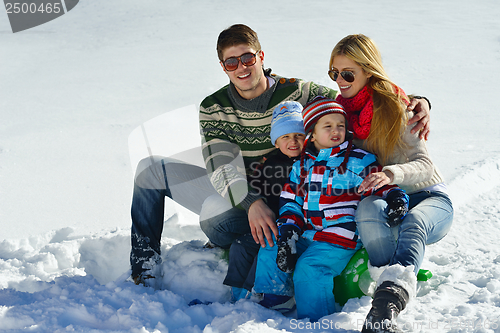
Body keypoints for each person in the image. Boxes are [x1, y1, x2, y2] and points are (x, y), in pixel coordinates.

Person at [129, 24, 431, 287]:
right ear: (222, 66)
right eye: (231, 62)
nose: (241, 67)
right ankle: (146, 268)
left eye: (247, 57)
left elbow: (354, 94)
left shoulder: (300, 92)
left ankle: (255, 241)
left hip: (289, 195)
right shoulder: (214, 106)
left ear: (261, 56)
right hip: (244, 195)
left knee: (214, 217)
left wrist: (414, 101)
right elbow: (220, 165)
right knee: (151, 169)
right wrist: (251, 204)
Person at [328, 34, 454, 332]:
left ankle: (385, 307)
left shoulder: (400, 107)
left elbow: (424, 166)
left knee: (414, 221)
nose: (340, 81)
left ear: (368, 71)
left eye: (347, 74)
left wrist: (390, 173)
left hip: (428, 196)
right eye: (334, 73)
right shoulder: (341, 113)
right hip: (386, 197)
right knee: (368, 211)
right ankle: (387, 276)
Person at [253, 97, 410, 321]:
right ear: (312, 134)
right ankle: (275, 299)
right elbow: (291, 201)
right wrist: (288, 230)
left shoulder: (358, 160)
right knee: (271, 244)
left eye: (341, 125)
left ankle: (316, 320)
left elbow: (379, 183)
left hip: (339, 235)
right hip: (307, 232)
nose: (336, 131)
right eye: (328, 126)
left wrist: (395, 196)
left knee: (310, 267)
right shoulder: (301, 166)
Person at [224, 101, 306, 301]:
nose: (293, 141)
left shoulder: (311, 162)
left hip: (295, 225)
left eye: (299, 136)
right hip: (270, 222)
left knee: (266, 247)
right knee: (240, 246)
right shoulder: (270, 164)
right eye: (285, 136)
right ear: (276, 142)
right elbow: (256, 188)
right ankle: (236, 294)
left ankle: (254, 293)